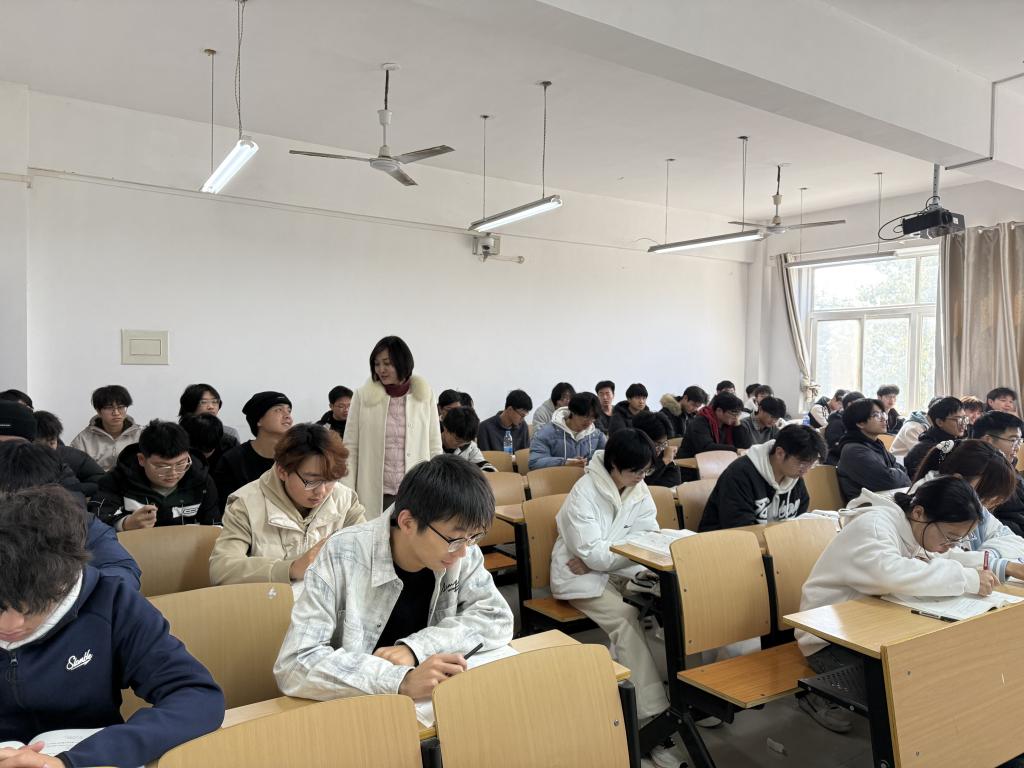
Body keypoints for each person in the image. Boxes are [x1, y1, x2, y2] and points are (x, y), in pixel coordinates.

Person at [0, 486, 224, 767]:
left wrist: (73, 761)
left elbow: (197, 696)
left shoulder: (111, 601)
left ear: (64, 582)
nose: (10, 625)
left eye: (34, 607)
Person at [274, 455, 513, 703]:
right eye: (455, 539)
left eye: (474, 537)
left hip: (432, 703)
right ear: (407, 523)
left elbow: (496, 617)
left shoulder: (463, 549)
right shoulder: (341, 555)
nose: (463, 552)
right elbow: (295, 663)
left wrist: (415, 649)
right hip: (360, 706)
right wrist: (400, 680)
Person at [796, 476, 994, 733]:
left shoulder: (916, 528)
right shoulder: (875, 525)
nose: (949, 547)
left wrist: (990, 565)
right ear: (919, 513)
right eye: (949, 537)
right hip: (828, 639)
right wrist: (967, 579)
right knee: (903, 693)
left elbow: (942, 556)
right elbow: (889, 572)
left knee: (940, 669)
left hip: (870, 629)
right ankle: (817, 696)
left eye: (957, 540)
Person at [549, 429, 681, 768]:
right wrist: (609, 554)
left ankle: (634, 691)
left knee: (666, 605)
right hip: (578, 577)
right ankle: (651, 721)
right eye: (636, 471)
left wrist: (606, 556)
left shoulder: (637, 487)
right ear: (613, 465)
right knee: (625, 619)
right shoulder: (584, 492)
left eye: (646, 471)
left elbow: (647, 536)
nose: (641, 478)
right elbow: (592, 555)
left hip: (616, 570)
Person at [209, 423, 366, 588]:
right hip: (271, 601)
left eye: (330, 479)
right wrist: (291, 568)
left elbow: (367, 553)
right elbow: (221, 570)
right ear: (282, 471)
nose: (321, 491)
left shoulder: (345, 499)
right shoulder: (246, 504)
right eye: (311, 481)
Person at [0, 440, 141, 589]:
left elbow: (123, 572)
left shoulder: (82, 523)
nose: (19, 508)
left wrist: (66, 587)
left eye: (29, 500)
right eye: (9, 499)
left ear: (52, 492)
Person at [343, 336, 442, 519]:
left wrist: (437, 487)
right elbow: (350, 448)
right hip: (374, 492)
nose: (381, 369)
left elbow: (434, 446)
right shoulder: (362, 396)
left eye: (387, 363)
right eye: (377, 364)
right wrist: (347, 493)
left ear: (403, 362)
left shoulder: (424, 396)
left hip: (415, 491)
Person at [93, 420, 219, 529]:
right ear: (142, 459)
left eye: (181, 464)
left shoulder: (201, 480)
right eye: (162, 466)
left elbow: (214, 524)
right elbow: (96, 521)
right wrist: (125, 524)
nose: (173, 473)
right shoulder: (116, 480)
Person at [700, 425, 823, 531]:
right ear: (780, 453)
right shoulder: (739, 475)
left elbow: (800, 518)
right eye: (802, 464)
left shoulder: (793, 476)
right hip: (723, 543)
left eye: (811, 465)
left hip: (771, 544)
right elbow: (740, 529)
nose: (806, 471)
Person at [213, 391, 293, 511]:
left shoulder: (298, 457)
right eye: (278, 410)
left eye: (289, 411)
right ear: (258, 420)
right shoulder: (233, 460)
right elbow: (228, 506)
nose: (287, 416)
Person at [831, 398, 910, 503]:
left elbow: (901, 470)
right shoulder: (854, 451)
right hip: (867, 507)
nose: (883, 418)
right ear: (860, 423)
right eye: (876, 415)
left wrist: (896, 472)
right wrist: (899, 474)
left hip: (886, 501)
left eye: (883, 413)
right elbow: (889, 481)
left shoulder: (875, 444)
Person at [69, 385, 144, 472]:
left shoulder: (141, 435)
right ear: (98, 411)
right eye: (109, 408)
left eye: (120, 407)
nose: (116, 413)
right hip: (97, 479)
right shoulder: (83, 439)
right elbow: (72, 469)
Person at [973, 411, 1024, 536]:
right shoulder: (979, 474)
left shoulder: (1008, 465)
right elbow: (989, 523)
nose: (1017, 447)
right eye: (1013, 440)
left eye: (1019, 441)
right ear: (988, 440)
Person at [32, 410, 105, 497]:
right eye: (39, 445)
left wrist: (67, 490)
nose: (47, 449)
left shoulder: (72, 456)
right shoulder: (19, 463)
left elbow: (101, 481)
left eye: (52, 442)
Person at [528, 392, 607, 469]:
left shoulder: (597, 436)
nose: (589, 422)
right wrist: (565, 463)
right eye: (586, 417)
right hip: (556, 477)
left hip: (587, 477)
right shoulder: (546, 433)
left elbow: (607, 460)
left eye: (593, 418)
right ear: (573, 412)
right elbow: (535, 462)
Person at [903, 397, 966, 479]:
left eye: (964, 418)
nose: (963, 424)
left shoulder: (952, 442)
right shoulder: (929, 449)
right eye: (958, 419)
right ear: (939, 422)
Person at [678, 392, 752, 460]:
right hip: (690, 463)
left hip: (716, 462)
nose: (736, 417)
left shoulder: (728, 423)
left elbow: (745, 446)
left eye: (738, 414)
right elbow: (706, 447)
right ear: (719, 411)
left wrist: (738, 425)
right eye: (733, 413)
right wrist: (735, 450)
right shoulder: (700, 422)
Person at [631, 411, 681, 488]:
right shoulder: (631, 453)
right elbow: (639, 484)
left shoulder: (664, 452)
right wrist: (663, 462)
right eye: (657, 444)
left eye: (664, 443)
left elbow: (675, 481)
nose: (660, 449)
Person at [440, 408, 496, 472]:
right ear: (445, 429)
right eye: (457, 440)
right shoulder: (433, 445)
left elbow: (488, 468)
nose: (461, 445)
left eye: (466, 442)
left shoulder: (470, 446)